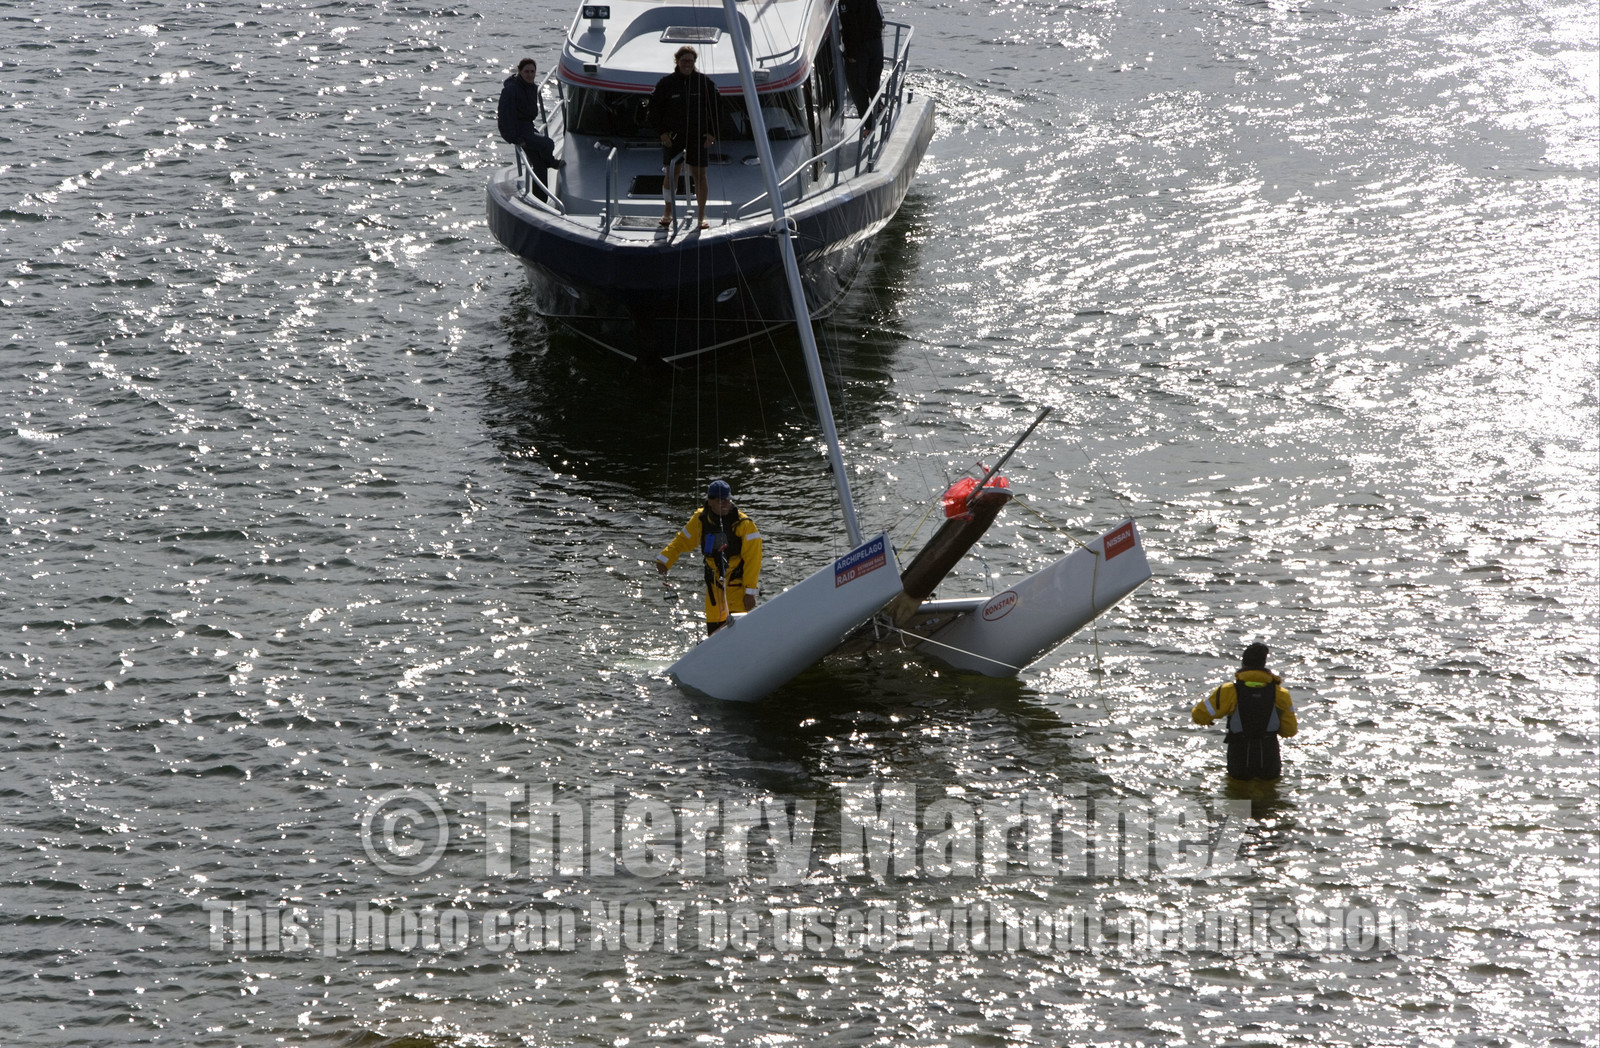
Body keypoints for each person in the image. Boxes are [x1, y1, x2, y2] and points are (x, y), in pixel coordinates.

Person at [657, 479, 762, 634]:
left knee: (740, 632)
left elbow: (753, 560)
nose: (725, 504)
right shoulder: (700, 519)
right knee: (715, 632)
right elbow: (682, 541)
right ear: (710, 501)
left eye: (728, 500)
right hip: (714, 589)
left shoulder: (744, 524)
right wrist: (665, 559)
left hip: (737, 588)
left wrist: (750, 593)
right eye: (720, 501)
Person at [1191, 642, 1298, 780]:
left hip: (1239, 758)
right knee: (1269, 792)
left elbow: (1199, 716)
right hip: (1268, 758)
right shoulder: (1281, 694)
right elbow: (1290, 731)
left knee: (1237, 792)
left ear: (1243, 663)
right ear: (1264, 664)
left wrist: (1207, 720)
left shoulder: (1228, 690)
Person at [649, 46, 720, 230]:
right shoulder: (666, 83)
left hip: (698, 136)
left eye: (690, 61)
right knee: (672, 174)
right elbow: (654, 111)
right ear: (677, 61)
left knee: (700, 176)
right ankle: (667, 212)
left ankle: (701, 216)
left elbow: (717, 108)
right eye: (684, 61)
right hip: (673, 137)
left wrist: (712, 133)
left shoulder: (704, 83)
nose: (687, 64)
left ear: (694, 62)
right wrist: (662, 133)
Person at [497, 58, 560, 200]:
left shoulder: (531, 88)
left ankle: (540, 199)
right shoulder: (511, 90)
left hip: (528, 127)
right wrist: (515, 139)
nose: (530, 75)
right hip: (519, 131)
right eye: (526, 71)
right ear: (519, 71)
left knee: (539, 163)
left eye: (532, 72)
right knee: (548, 143)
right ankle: (551, 161)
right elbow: (505, 118)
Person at [839, 0, 885, 124]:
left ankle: (868, 124)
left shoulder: (845, 3)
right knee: (873, 80)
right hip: (875, 43)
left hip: (859, 47)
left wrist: (850, 53)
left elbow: (849, 25)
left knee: (856, 86)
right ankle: (878, 106)